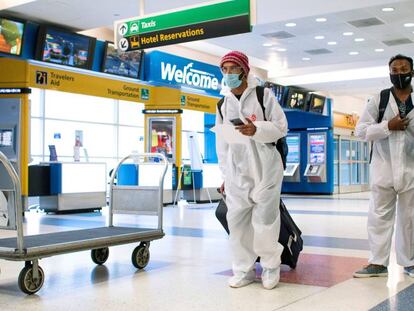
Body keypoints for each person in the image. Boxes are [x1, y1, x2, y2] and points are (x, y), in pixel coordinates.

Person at [215, 51, 288, 289]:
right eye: (224, 69)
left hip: (266, 167)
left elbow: (281, 127)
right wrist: (226, 174)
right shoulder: (223, 103)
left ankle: (269, 267)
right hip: (237, 171)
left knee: (265, 220)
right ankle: (244, 270)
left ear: (244, 71)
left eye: (232, 69)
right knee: (236, 222)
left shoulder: (262, 95)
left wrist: (256, 129)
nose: (228, 74)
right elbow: (222, 144)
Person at [354, 54, 414, 278]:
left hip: (411, 169)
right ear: (389, 73)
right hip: (383, 169)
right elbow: (361, 132)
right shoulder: (378, 99)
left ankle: (410, 262)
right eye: (394, 70)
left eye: (403, 69)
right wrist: (388, 125)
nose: (399, 73)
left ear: (412, 72)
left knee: (410, 218)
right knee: (379, 216)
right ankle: (378, 263)